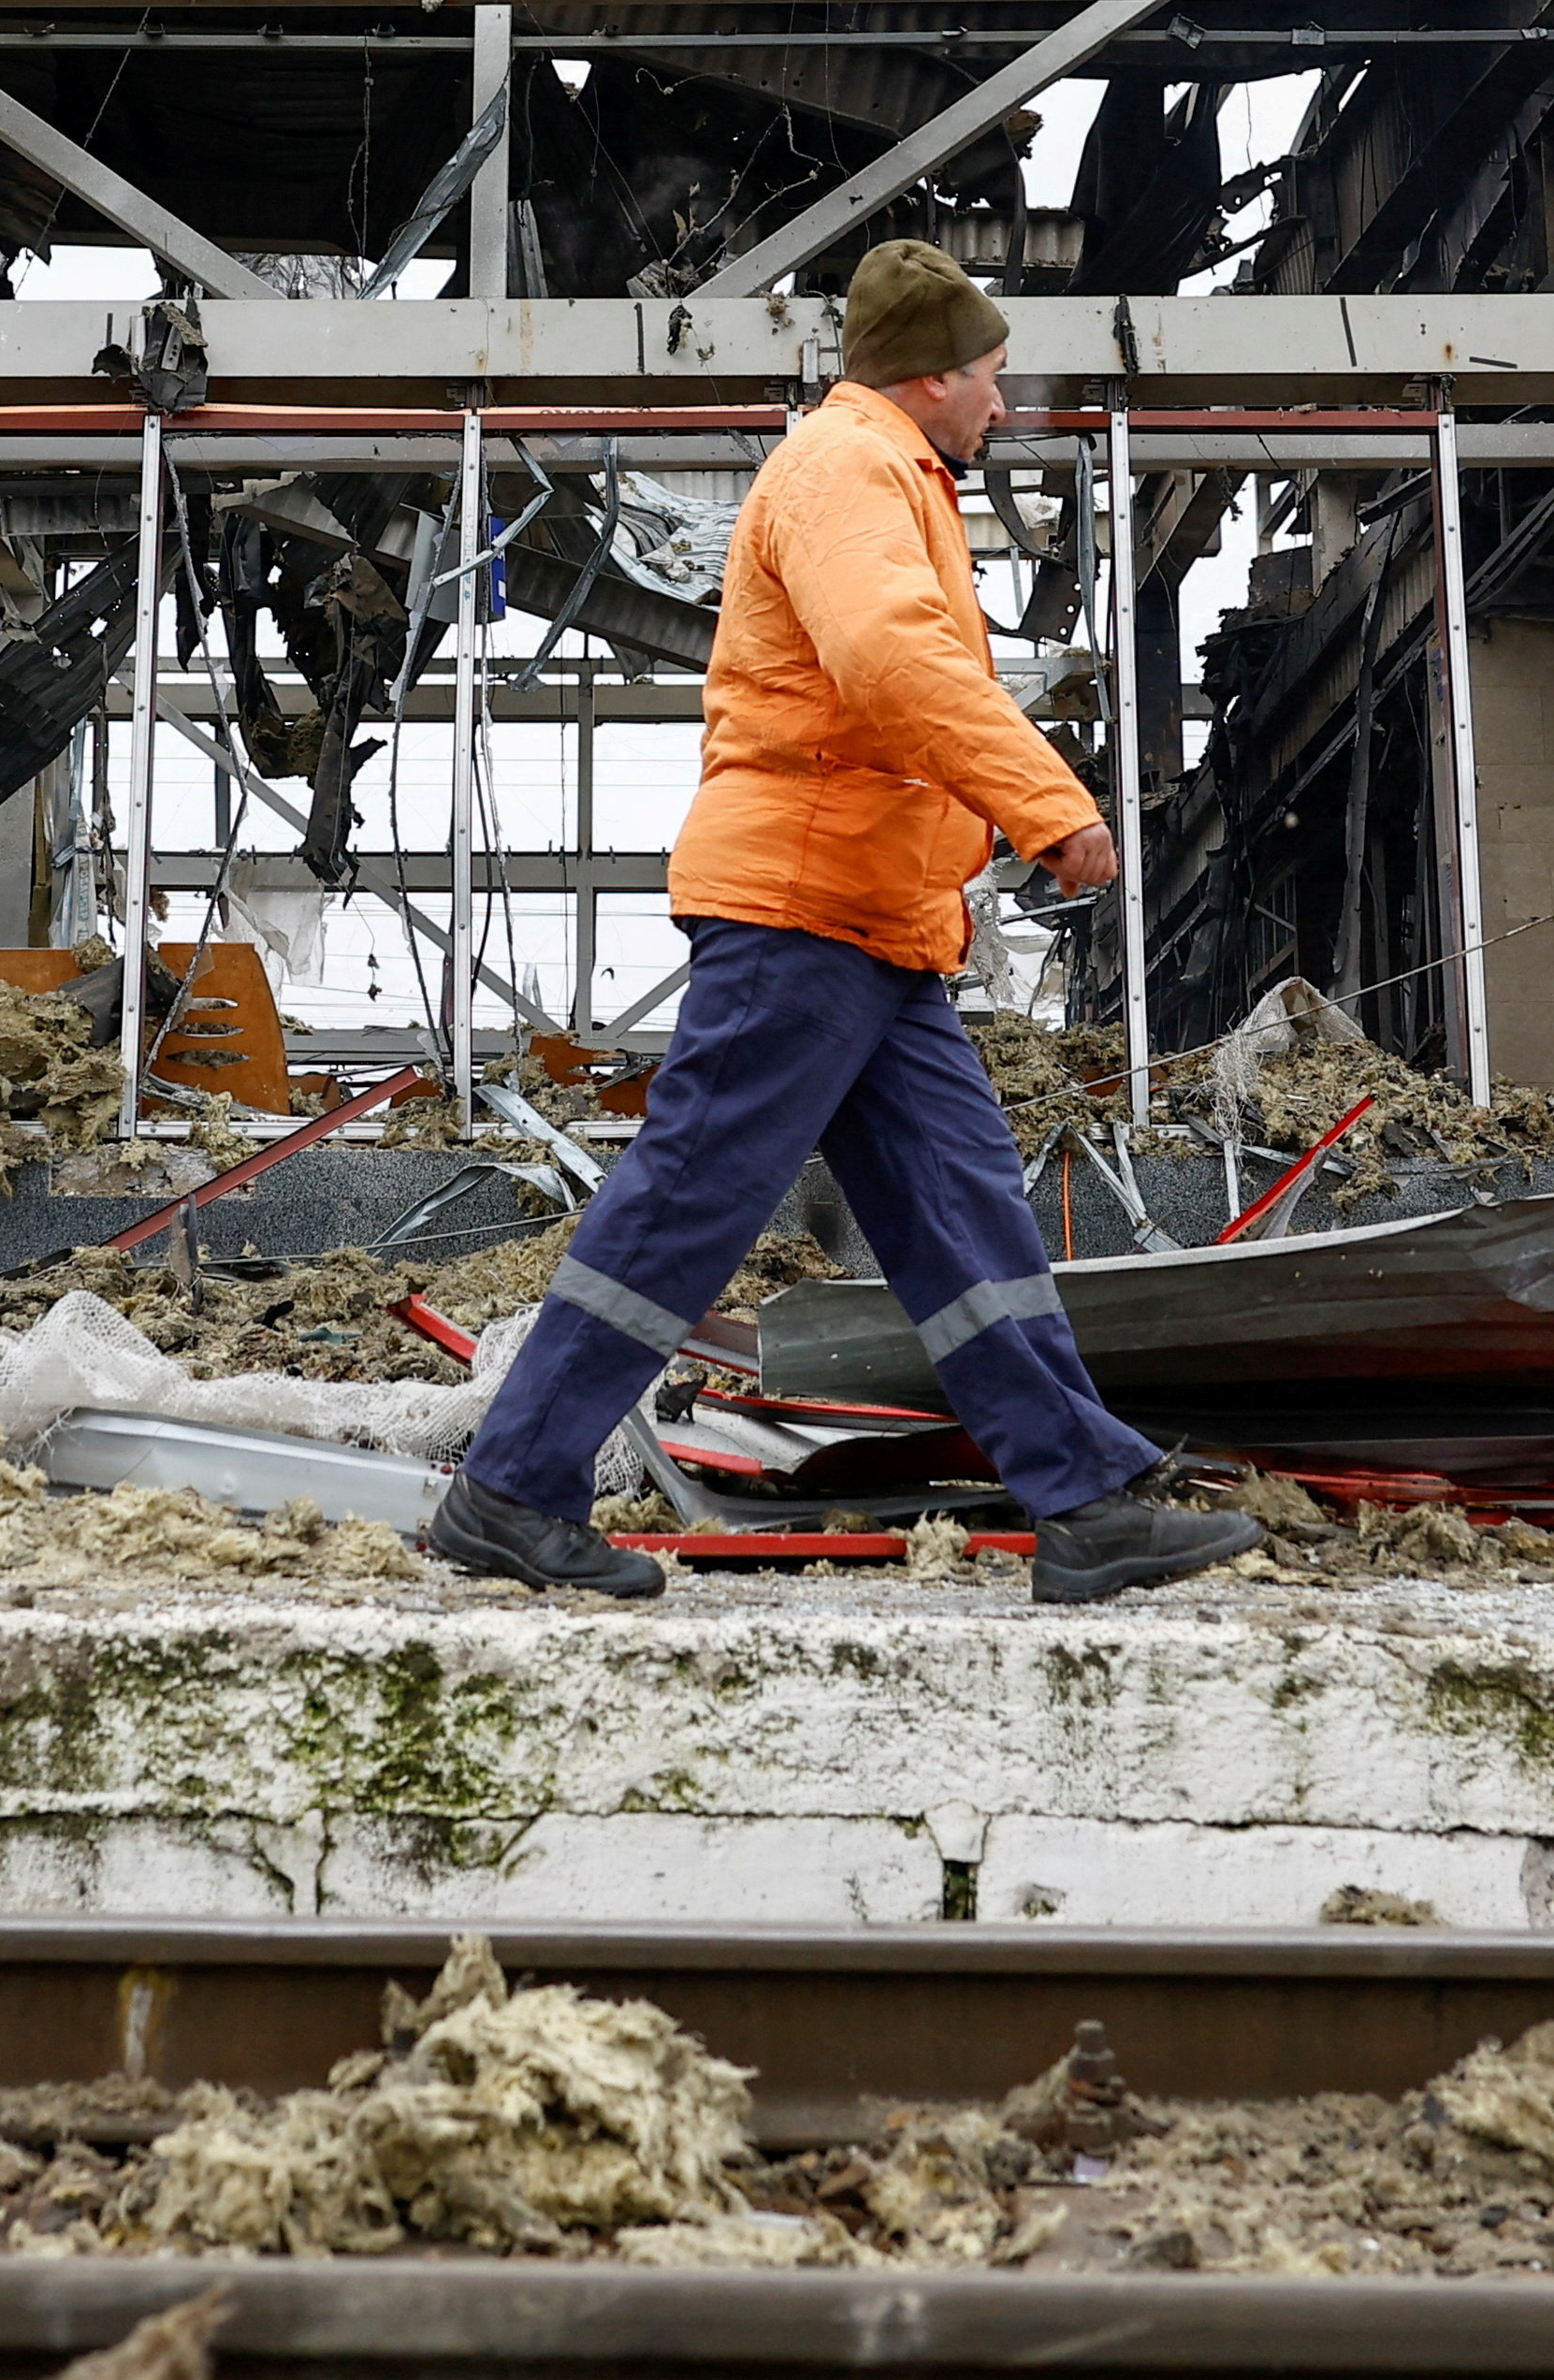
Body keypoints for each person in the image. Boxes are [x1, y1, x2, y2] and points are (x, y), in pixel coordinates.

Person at [426, 239, 1262, 1608]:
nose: (1003, 402)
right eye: (992, 375)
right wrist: (1046, 805)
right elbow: (888, 662)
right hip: (804, 909)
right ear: (930, 375)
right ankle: (512, 1488)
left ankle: (1084, 1501)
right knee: (691, 1197)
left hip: (874, 924)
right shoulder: (848, 468)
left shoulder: (889, 473)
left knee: (965, 1215)